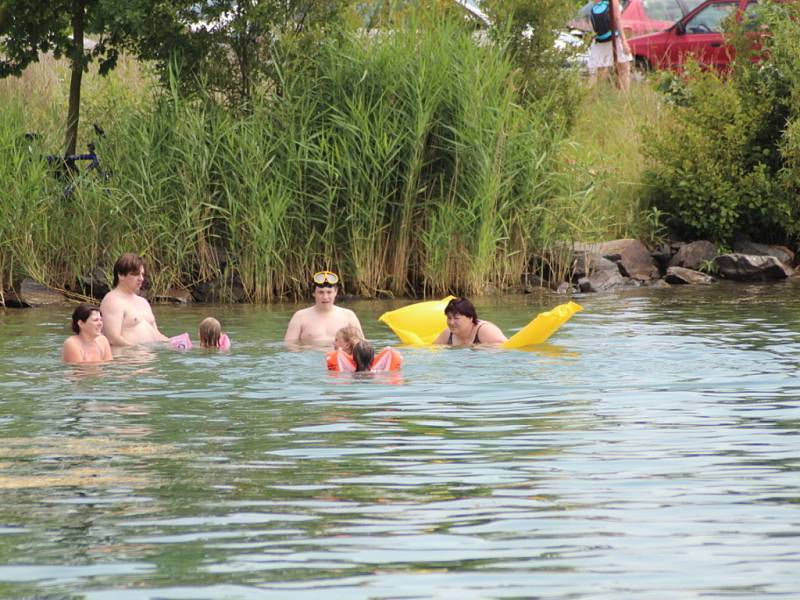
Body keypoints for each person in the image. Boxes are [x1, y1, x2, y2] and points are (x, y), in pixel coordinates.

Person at [100, 253, 169, 346]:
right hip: (127, 358)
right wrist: (136, 349)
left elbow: (157, 335)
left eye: (142, 274)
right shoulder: (112, 301)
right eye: (136, 274)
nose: (141, 278)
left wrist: (173, 342)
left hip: (149, 357)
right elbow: (113, 338)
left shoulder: (143, 302)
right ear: (121, 275)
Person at [284, 271, 362, 344]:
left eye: (329, 292)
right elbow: (290, 346)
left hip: (339, 357)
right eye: (321, 292)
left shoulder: (348, 315)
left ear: (336, 292)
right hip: (309, 357)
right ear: (313, 293)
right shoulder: (300, 317)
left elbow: (361, 344)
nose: (325, 297)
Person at [582, 0, 632, 91]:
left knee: (598, 73)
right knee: (624, 67)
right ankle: (625, 96)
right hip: (614, 38)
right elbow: (617, 19)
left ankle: (596, 97)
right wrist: (624, 41)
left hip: (599, 41)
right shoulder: (612, 1)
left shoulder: (594, 2)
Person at [433, 297, 507, 346]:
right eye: (449, 318)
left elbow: (505, 348)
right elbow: (433, 349)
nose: (451, 322)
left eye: (456, 318)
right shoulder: (448, 334)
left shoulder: (486, 331)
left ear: (470, 318)